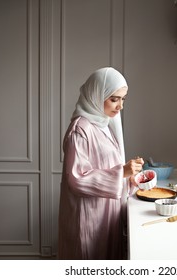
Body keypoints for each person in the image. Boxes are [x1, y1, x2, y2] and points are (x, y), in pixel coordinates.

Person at [57, 67, 144, 260]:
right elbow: (76, 178)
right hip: (88, 215)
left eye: (123, 99)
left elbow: (107, 166)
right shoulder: (80, 130)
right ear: (97, 95)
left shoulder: (105, 125)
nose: (120, 106)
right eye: (114, 99)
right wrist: (122, 172)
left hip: (106, 212)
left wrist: (130, 178)